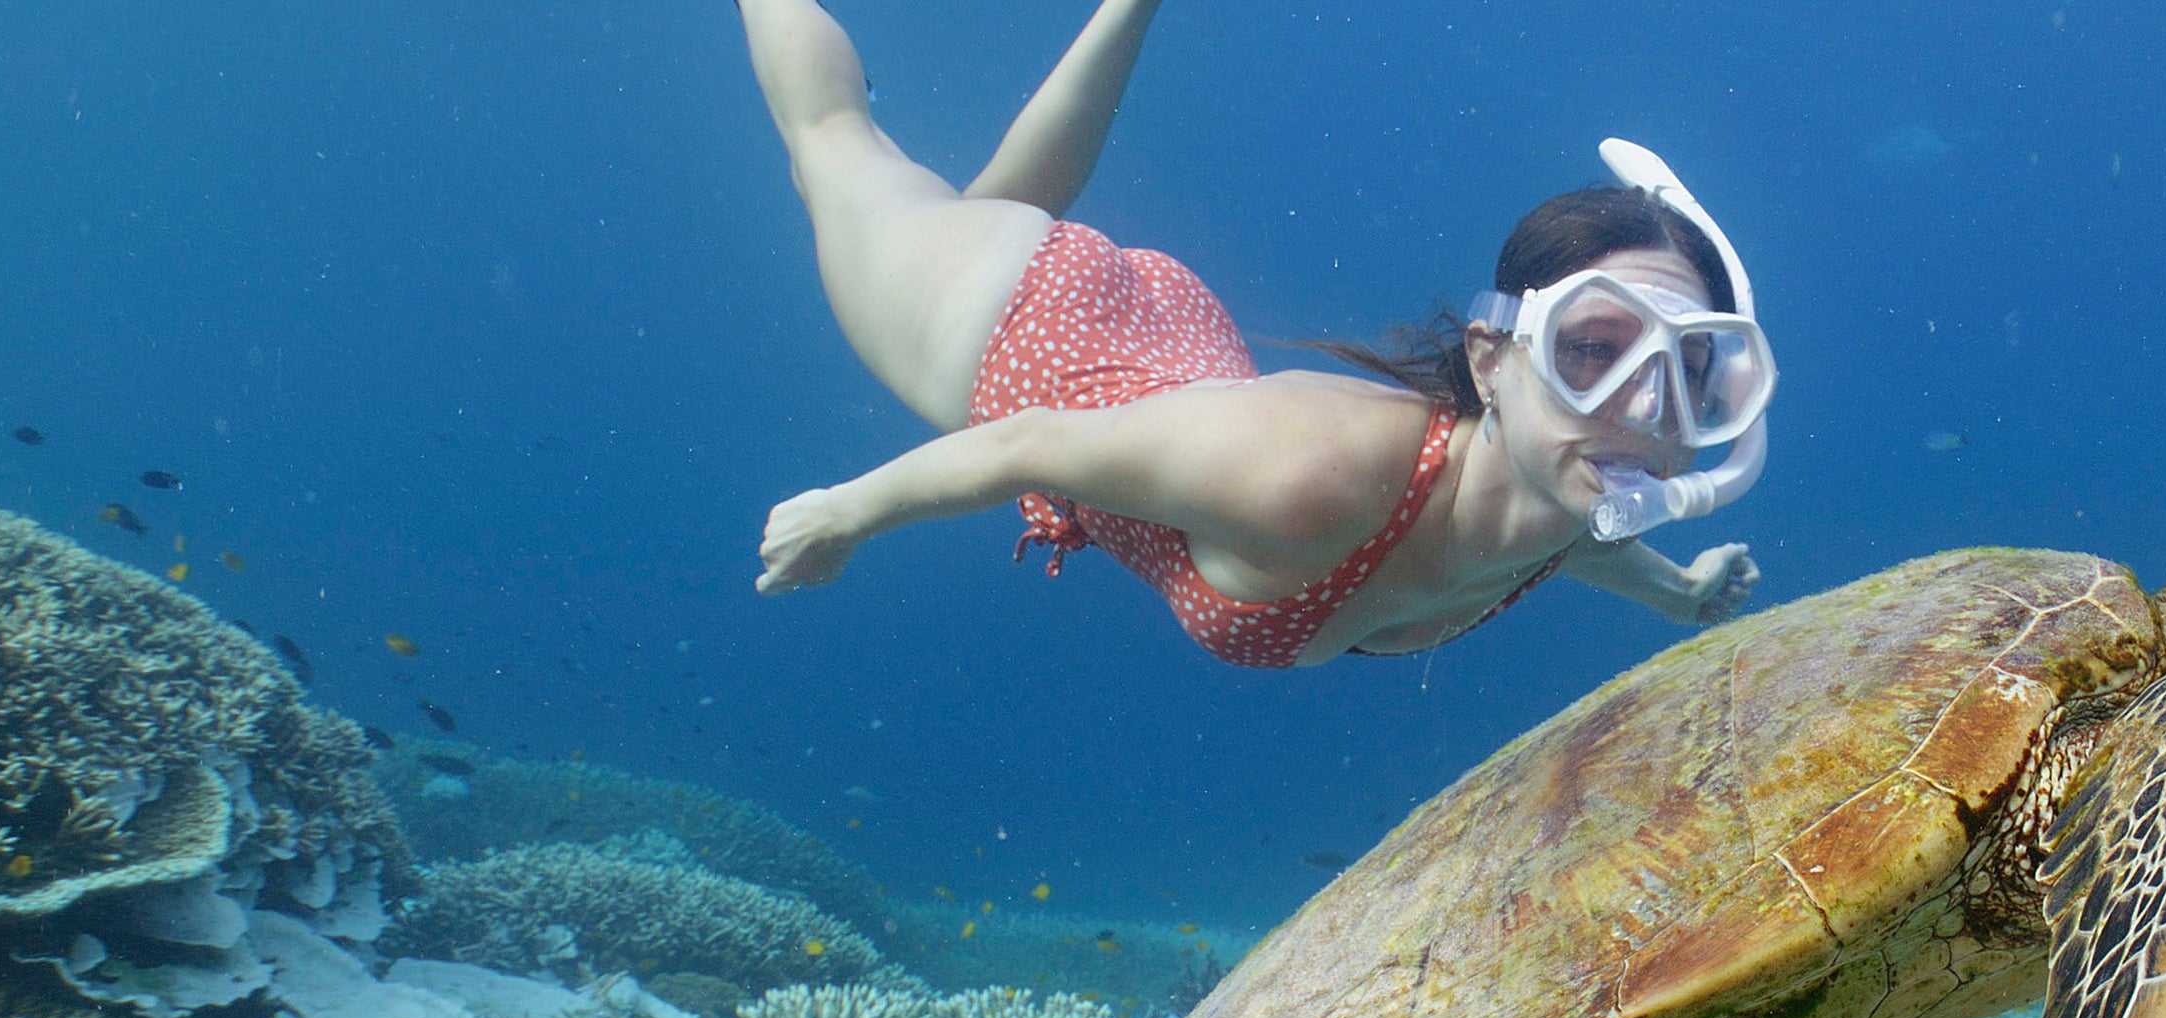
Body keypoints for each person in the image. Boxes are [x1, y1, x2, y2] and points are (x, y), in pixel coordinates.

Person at [738, 0, 1778, 668]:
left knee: (998, 204)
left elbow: (1572, 542)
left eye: (1693, 372)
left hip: (1176, 354)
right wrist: (842, 515)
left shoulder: (1568, 490)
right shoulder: (1310, 477)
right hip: (1019, 339)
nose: (1646, 409)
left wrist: (1679, 594)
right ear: (1492, 360)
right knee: (832, 144)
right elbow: (1027, 445)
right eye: (1595, 349)